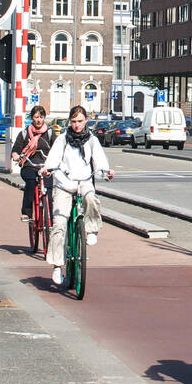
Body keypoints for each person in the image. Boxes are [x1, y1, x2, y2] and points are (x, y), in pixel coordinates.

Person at [41, 105, 113, 286]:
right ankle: (57, 266)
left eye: (80, 121)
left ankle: (91, 228)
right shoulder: (62, 140)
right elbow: (53, 158)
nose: (76, 125)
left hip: (84, 182)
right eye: (73, 121)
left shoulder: (92, 141)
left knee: (91, 199)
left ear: (86, 120)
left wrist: (106, 171)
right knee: (58, 225)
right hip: (64, 184)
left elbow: (99, 160)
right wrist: (47, 169)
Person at [11, 106, 54, 221]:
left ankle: (49, 216)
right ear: (32, 118)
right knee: (30, 183)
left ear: (44, 117)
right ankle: (27, 212)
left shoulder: (49, 133)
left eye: (41, 117)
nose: (39, 120)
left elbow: (57, 148)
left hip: (45, 166)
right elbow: (16, 148)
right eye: (36, 117)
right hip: (30, 165)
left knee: (48, 190)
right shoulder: (25, 133)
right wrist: (15, 154)